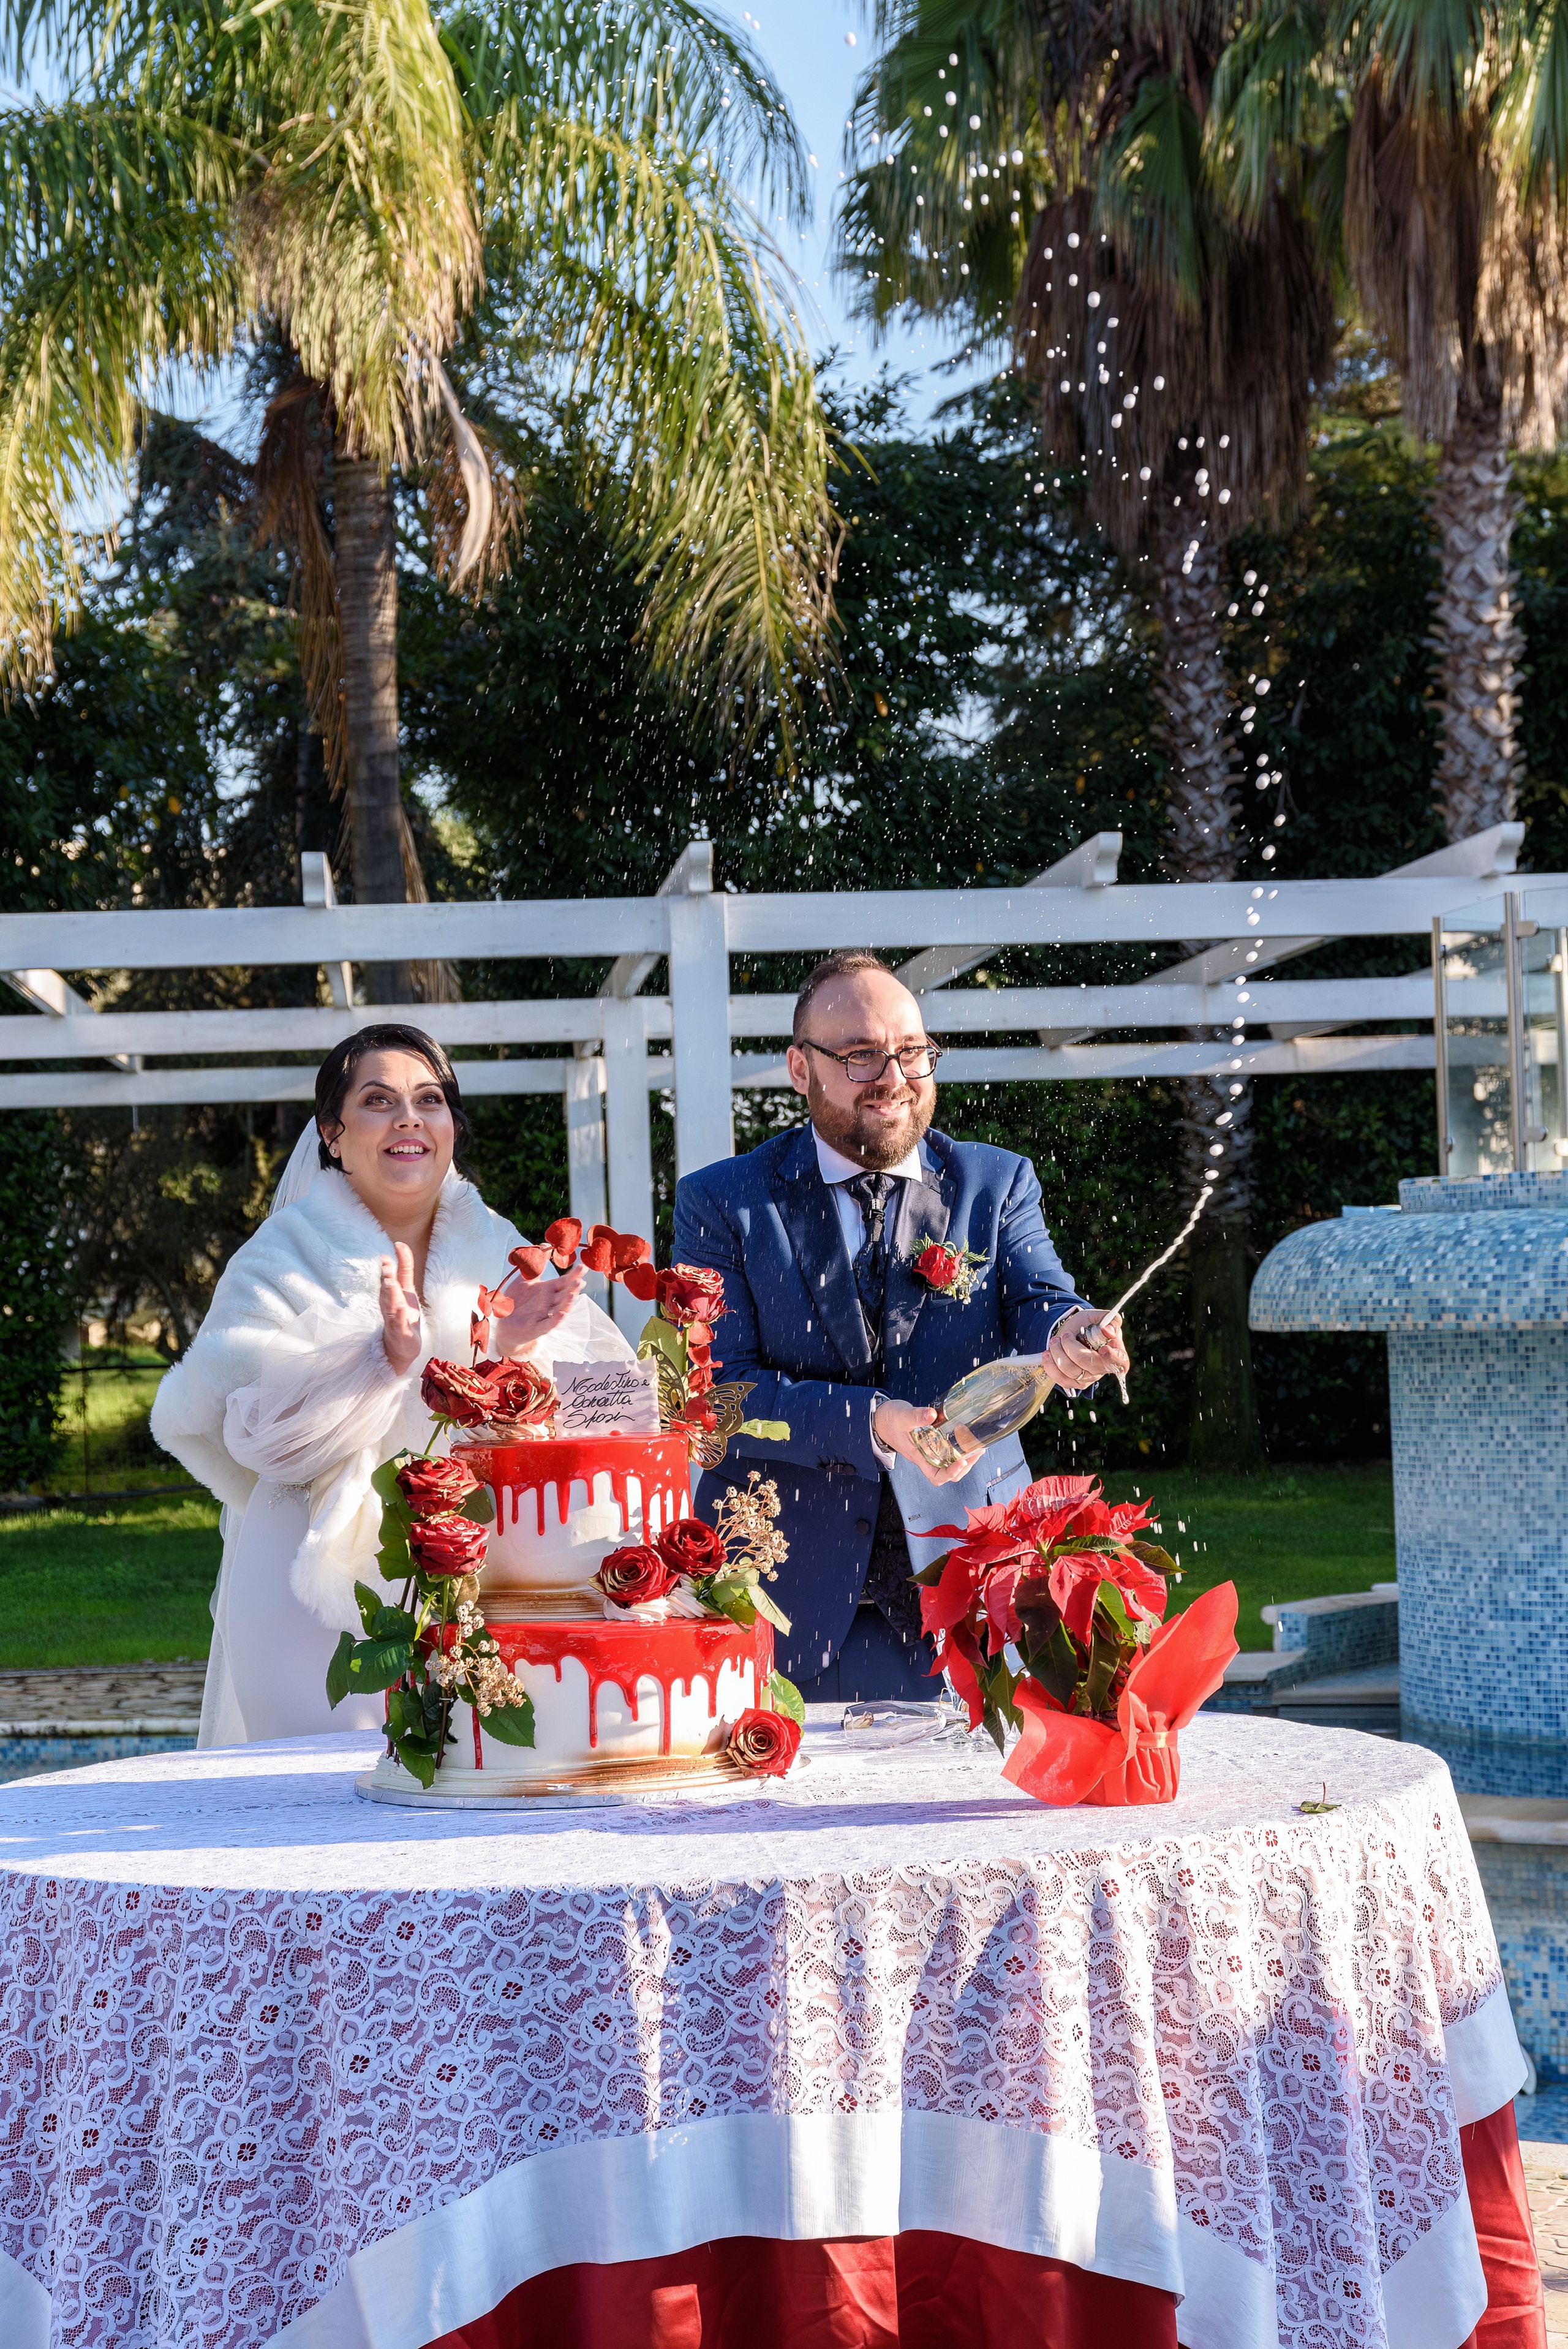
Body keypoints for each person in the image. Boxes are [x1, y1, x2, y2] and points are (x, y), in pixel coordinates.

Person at [152, 1024, 632, 1747]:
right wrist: (378, 1359)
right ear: (333, 1134)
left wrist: (507, 1347)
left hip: (489, 1588)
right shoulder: (277, 1259)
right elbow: (255, 1443)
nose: (408, 1117)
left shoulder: (506, 1250)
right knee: (323, 1801)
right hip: (309, 1596)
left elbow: (600, 1426)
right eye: (378, 1101)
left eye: (428, 1099)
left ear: (450, 1128)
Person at [673, 949, 1131, 1703]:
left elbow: (1039, 1300)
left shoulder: (997, 1180)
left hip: (958, 1597)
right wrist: (872, 1422)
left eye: (911, 1051)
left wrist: (1073, 1329)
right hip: (777, 1605)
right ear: (799, 1069)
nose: (894, 1076)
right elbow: (718, 1396)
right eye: (859, 1056)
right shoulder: (722, 1203)